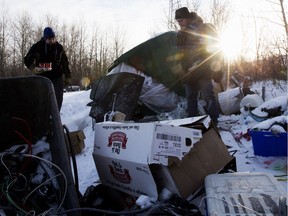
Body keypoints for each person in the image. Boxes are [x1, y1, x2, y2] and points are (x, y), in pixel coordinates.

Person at [175, 7, 220, 124]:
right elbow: (180, 54)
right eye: (178, 21)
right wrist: (182, 70)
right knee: (191, 97)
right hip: (188, 72)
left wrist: (215, 66)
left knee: (208, 96)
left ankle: (214, 122)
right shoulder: (180, 34)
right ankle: (192, 122)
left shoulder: (203, 28)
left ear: (188, 18)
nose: (179, 24)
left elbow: (213, 47)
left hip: (203, 70)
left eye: (181, 20)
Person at [24, 27, 71, 110]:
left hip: (57, 77)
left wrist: (67, 76)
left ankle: (56, 120)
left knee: (57, 99)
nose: (52, 41)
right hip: (42, 77)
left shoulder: (59, 48)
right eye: (49, 39)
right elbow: (27, 59)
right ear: (45, 38)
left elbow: (65, 62)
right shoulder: (37, 47)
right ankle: (43, 120)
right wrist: (34, 68)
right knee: (42, 99)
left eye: (53, 39)